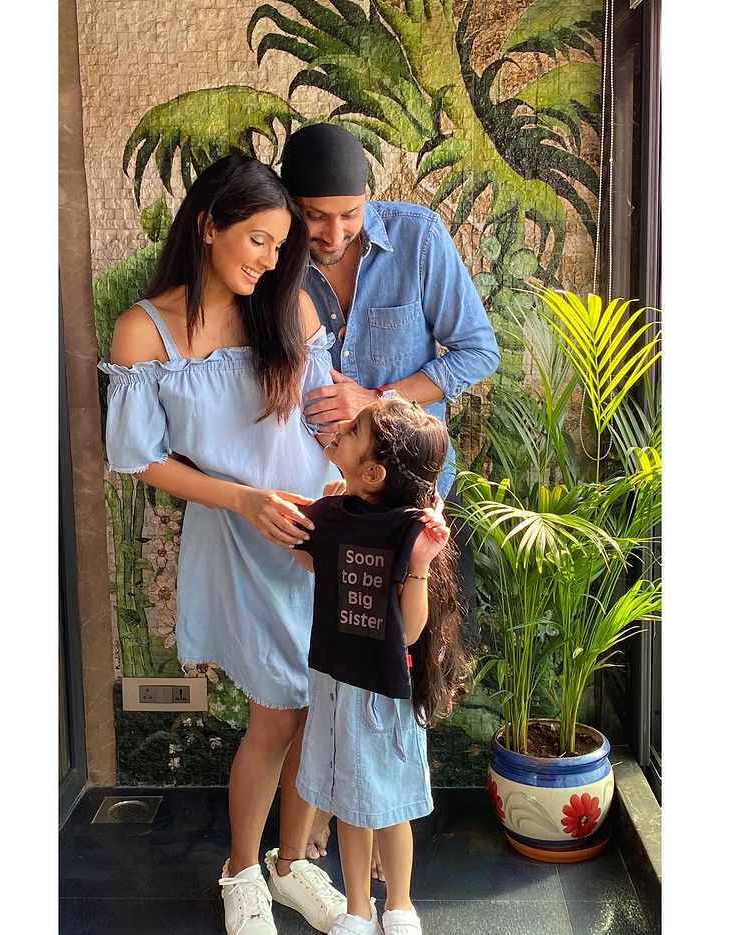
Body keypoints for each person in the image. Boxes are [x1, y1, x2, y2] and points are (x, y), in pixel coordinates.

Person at [99, 154, 349, 935]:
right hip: (240, 540)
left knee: (321, 706)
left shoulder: (287, 307)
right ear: (208, 225)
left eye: (280, 246)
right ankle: (242, 870)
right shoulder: (144, 330)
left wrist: (355, 490)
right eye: (257, 240)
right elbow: (140, 458)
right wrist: (243, 498)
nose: (270, 260)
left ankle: (291, 863)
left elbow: (328, 420)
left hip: (318, 533)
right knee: (276, 714)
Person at [280, 121, 500, 873]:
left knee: (399, 666)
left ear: (369, 197)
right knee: (322, 662)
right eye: (315, 216)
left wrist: (373, 398)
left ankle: (383, 826)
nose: (333, 232)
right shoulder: (273, 253)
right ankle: (315, 826)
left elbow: (476, 350)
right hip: (320, 504)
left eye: (350, 213)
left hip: (405, 508)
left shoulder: (418, 238)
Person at [289, 396, 471, 935]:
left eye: (353, 430)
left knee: (390, 807)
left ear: (373, 473)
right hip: (336, 678)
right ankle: (358, 909)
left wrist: (420, 565)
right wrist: (325, 518)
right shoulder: (333, 512)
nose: (341, 426)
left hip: (383, 691)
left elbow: (409, 632)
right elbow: (304, 556)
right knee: (351, 806)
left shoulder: (407, 529)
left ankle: (400, 905)